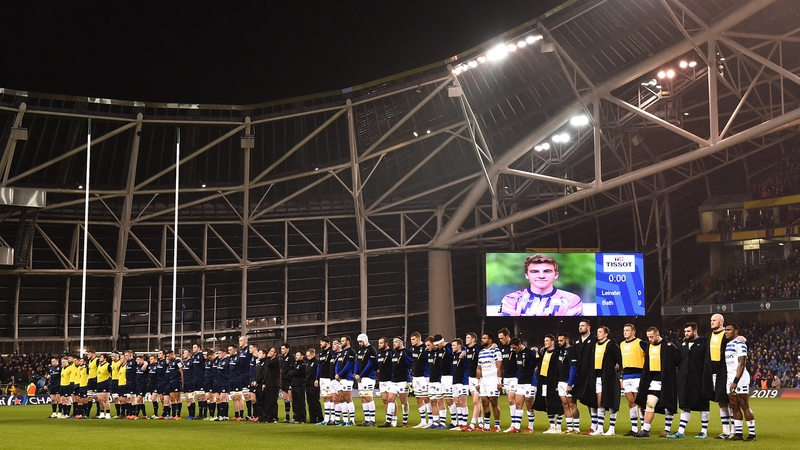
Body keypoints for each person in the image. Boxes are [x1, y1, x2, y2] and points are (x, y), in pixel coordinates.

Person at [499, 254, 582, 316]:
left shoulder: (572, 300)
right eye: (534, 272)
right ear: (526, 275)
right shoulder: (510, 299)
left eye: (547, 271)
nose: (541, 276)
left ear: (556, 275)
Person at [634, 327, 679, 438]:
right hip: (654, 381)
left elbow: (677, 361)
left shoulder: (669, 346)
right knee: (649, 404)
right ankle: (646, 430)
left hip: (666, 381)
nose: (649, 339)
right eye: (648, 337)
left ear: (657, 335)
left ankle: (667, 430)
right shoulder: (649, 346)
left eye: (651, 337)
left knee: (668, 406)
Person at [671, 322, 711, 439]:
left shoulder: (704, 343)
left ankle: (704, 431)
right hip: (684, 380)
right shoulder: (683, 345)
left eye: (688, 331)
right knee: (685, 405)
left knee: (703, 406)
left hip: (699, 380)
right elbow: (677, 360)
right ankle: (681, 431)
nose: (686, 333)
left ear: (695, 331)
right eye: (685, 331)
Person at [703, 313, 733, 439]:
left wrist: (743, 339)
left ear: (721, 322)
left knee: (730, 401)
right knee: (720, 401)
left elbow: (738, 341)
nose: (711, 322)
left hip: (724, 372)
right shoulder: (709, 335)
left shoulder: (726, 335)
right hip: (712, 372)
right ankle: (725, 431)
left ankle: (734, 430)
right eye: (711, 320)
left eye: (714, 320)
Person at [725, 323, 756, 441]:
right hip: (730, 378)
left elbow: (742, 363)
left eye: (729, 330)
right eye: (726, 330)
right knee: (734, 406)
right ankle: (738, 433)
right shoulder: (728, 344)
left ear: (736, 331)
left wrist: (736, 381)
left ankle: (752, 434)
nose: (726, 332)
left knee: (744, 405)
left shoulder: (740, 344)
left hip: (740, 378)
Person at [590, 326, 622, 435]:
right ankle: (600, 428)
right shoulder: (595, 345)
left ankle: (612, 428)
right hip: (598, 376)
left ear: (606, 334)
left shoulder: (612, 345)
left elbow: (619, 359)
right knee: (600, 402)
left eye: (600, 332)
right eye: (597, 332)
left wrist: (618, 366)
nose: (598, 334)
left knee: (611, 402)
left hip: (609, 377)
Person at [508, 337, 538, 433]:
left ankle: (530, 427)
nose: (513, 350)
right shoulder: (516, 354)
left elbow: (538, 361)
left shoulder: (529, 352)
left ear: (519, 345)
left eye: (514, 348)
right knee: (518, 404)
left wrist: (536, 350)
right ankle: (516, 427)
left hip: (530, 382)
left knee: (529, 403)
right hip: (520, 382)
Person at [534, 334, 563, 433]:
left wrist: (557, 383)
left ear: (552, 342)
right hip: (544, 381)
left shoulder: (557, 353)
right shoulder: (543, 352)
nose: (545, 342)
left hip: (553, 382)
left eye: (547, 341)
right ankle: (552, 425)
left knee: (557, 403)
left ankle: (558, 426)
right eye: (544, 341)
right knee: (547, 402)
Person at [620, 323, 645, 436]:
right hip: (626, 375)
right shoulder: (621, 344)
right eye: (624, 330)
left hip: (638, 374)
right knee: (631, 402)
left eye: (627, 330)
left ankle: (644, 427)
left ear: (633, 332)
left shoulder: (640, 343)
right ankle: (634, 428)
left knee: (639, 402)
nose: (625, 332)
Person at [476, 332, 503, 432]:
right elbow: (479, 368)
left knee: (493, 401)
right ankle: (486, 425)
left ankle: (497, 425)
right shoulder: (481, 352)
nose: (482, 340)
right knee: (484, 402)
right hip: (484, 380)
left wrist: (499, 381)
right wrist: (478, 382)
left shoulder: (496, 351)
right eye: (482, 338)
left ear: (490, 340)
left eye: (484, 338)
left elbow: (499, 366)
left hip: (493, 379)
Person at [573, 319, 597, 433]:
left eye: (582, 325)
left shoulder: (595, 340)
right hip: (579, 375)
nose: (580, 327)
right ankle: (575, 426)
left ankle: (595, 424)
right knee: (575, 399)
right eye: (579, 326)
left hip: (591, 375)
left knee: (591, 400)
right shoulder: (577, 342)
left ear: (588, 327)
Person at [384, 337, 412, 428]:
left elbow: (411, 362)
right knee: (390, 399)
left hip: (403, 380)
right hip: (394, 380)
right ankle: (388, 421)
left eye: (395, 342)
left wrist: (409, 378)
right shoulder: (394, 353)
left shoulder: (406, 352)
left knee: (404, 401)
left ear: (400, 343)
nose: (394, 344)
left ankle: (405, 421)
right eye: (393, 342)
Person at [556, 332, 579, 434]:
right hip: (561, 382)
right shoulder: (560, 351)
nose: (559, 343)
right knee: (565, 405)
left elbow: (573, 368)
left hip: (568, 382)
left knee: (572, 404)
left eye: (561, 341)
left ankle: (577, 428)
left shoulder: (571, 351)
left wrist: (570, 383)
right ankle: (570, 428)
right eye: (558, 341)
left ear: (567, 340)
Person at [409, 332, 432, 428]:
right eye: (411, 339)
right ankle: (423, 421)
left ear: (418, 339)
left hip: (424, 376)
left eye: (413, 339)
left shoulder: (425, 348)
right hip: (416, 377)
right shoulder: (412, 349)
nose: (411, 341)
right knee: (418, 398)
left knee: (426, 398)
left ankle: (430, 421)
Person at [354, 333, 377, 426]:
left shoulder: (371, 350)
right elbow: (357, 363)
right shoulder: (360, 351)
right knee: (363, 398)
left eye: (361, 341)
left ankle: (373, 420)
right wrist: (356, 374)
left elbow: (370, 364)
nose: (359, 343)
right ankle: (367, 420)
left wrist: (361, 375)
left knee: (368, 397)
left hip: (369, 377)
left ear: (365, 340)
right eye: (359, 341)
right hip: (361, 378)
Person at [497, 328, 518, 427]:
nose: (501, 340)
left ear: (507, 336)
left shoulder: (514, 346)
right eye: (499, 339)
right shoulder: (501, 348)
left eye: (502, 338)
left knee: (511, 399)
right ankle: (513, 423)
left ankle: (514, 424)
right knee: (510, 402)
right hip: (506, 378)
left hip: (515, 376)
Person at [334, 335, 357, 426]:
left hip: (347, 378)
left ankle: (352, 420)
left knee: (348, 399)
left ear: (348, 341)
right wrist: (337, 374)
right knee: (342, 399)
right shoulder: (341, 352)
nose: (341, 342)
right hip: (340, 379)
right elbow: (337, 365)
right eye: (341, 341)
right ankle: (344, 420)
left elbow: (349, 365)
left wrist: (339, 374)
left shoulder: (351, 352)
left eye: (343, 341)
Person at [450, 338, 471, 431]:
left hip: (463, 382)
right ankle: (460, 423)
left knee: (463, 403)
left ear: (459, 346)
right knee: (457, 403)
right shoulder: (454, 355)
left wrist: (465, 351)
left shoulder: (464, 355)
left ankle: (464, 424)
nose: (452, 347)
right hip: (455, 382)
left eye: (454, 345)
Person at [425, 336, 445, 429]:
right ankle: (436, 422)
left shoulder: (440, 352)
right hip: (431, 381)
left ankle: (443, 422)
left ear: (434, 344)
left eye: (429, 345)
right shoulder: (428, 353)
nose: (427, 347)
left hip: (439, 380)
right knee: (432, 401)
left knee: (440, 401)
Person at [464, 332, 482, 430]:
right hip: (471, 378)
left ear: (473, 339)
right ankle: (481, 423)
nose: (466, 339)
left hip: (477, 378)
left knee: (476, 401)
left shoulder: (478, 348)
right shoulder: (467, 350)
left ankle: (472, 424)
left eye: (468, 337)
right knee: (476, 402)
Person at [315, 337, 334, 425]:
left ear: (327, 342)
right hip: (322, 378)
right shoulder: (322, 353)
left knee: (331, 398)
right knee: (325, 398)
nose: (320, 344)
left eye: (322, 342)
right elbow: (319, 366)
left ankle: (332, 418)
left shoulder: (331, 352)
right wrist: (317, 378)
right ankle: (326, 419)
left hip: (328, 377)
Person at [376, 337, 394, 427]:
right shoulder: (379, 354)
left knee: (391, 400)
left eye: (381, 343)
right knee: (384, 400)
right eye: (379, 343)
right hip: (382, 379)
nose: (379, 345)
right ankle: (388, 419)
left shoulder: (391, 353)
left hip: (390, 379)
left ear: (386, 343)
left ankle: (394, 419)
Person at [305, 348, 323, 424]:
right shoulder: (307, 362)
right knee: (309, 402)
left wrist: (317, 380)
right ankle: (312, 418)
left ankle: (320, 418)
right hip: (307, 385)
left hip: (314, 385)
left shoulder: (316, 362)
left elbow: (319, 372)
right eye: (307, 355)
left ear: (313, 354)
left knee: (315, 402)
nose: (307, 357)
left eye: (308, 355)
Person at [288, 351, 307, 423]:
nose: (296, 356)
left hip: (300, 385)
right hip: (294, 384)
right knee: (295, 402)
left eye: (298, 355)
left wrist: (293, 372)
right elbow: (290, 373)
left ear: (302, 356)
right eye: (296, 355)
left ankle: (302, 418)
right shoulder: (294, 364)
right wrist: (294, 372)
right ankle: (297, 417)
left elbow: (296, 372)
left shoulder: (303, 364)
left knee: (300, 402)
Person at [165, 350, 183, 419]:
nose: (168, 357)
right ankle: (173, 415)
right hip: (170, 382)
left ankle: (178, 415)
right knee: (172, 398)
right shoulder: (170, 363)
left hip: (176, 381)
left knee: (177, 398)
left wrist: (182, 381)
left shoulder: (177, 362)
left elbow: (181, 371)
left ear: (172, 354)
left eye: (169, 356)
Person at [214, 347, 231, 421]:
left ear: (224, 353)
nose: (218, 355)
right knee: (220, 399)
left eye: (220, 353)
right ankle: (225, 415)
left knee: (222, 398)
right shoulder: (219, 361)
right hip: (219, 383)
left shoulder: (227, 361)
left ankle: (221, 416)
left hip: (225, 383)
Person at [264, 347, 280, 423]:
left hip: (274, 384)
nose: (270, 352)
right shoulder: (269, 361)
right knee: (268, 401)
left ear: (275, 353)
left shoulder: (276, 361)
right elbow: (266, 373)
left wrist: (267, 357)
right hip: (268, 383)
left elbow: (269, 364)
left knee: (273, 401)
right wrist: (264, 382)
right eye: (270, 351)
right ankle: (269, 417)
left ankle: (274, 417)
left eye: (272, 351)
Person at [279, 343, 293, 422]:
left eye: (283, 348)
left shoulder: (291, 358)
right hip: (283, 380)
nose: (282, 350)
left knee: (291, 398)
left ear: (288, 349)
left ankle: (294, 416)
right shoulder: (283, 358)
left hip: (289, 380)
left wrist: (289, 375)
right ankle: (287, 417)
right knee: (285, 398)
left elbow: (292, 368)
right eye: (281, 349)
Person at [254, 348, 268, 422]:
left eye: (260, 353)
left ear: (264, 355)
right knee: (258, 401)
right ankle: (260, 417)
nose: (258, 355)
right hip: (257, 384)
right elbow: (255, 373)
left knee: (263, 402)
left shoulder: (266, 363)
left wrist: (258, 381)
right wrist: (254, 380)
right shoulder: (258, 362)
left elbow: (264, 374)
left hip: (262, 384)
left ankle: (265, 416)